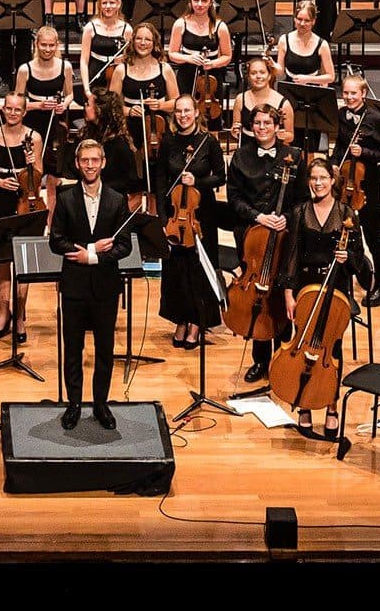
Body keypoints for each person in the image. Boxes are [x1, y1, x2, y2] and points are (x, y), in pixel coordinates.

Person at [280, 154, 367, 438]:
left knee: (333, 349)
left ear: (333, 181)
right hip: (306, 289)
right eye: (313, 179)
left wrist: (347, 256)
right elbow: (290, 256)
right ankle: (304, 403)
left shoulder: (347, 214)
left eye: (323, 179)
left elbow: (361, 261)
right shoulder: (298, 212)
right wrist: (288, 295)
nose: (318, 183)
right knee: (303, 343)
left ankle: (331, 405)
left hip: (336, 288)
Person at [50, 139, 133, 431]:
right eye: (84, 160)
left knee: (104, 350)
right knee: (73, 349)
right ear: (77, 163)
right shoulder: (65, 198)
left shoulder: (117, 199)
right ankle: (74, 405)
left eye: (94, 160)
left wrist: (93, 256)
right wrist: (86, 249)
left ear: (103, 163)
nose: (89, 165)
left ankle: (101, 404)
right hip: (73, 288)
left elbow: (124, 246)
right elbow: (55, 240)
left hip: (105, 287)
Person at [227, 107, 306, 384]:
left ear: (276, 126)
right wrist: (258, 217)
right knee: (256, 296)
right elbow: (234, 198)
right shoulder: (240, 156)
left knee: (280, 290)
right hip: (251, 234)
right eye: (257, 123)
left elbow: (302, 198)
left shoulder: (294, 157)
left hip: (284, 234)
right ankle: (260, 360)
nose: (261, 128)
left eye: (267, 123)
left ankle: (282, 356)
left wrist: (286, 218)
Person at [156, 94, 226, 348]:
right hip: (175, 216)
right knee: (176, 271)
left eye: (188, 110)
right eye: (179, 111)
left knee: (198, 270)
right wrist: (164, 220)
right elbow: (161, 181)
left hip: (202, 215)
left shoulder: (208, 142)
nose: (183, 115)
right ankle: (181, 320)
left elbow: (220, 177)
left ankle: (198, 322)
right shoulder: (168, 142)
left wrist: (198, 181)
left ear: (197, 112)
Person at [0, 93, 42, 339]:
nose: (13, 113)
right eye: (9, 108)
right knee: (2, 259)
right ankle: (4, 313)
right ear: (3, 109)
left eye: (18, 109)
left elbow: (39, 176)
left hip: (26, 200)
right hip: (1, 197)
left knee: (23, 260)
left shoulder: (34, 137)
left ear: (25, 112)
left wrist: (31, 164)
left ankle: (20, 316)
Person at [335, 73, 380, 307]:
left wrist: (365, 153)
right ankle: (345, 283)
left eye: (354, 93)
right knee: (342, 232)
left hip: (366, 184)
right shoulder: (341, 115)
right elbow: (340, 145)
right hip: (343, 183)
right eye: (346, 93)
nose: (349, 97)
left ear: (363, 93)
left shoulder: (376, 119)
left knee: (372, 235)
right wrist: (333, 164)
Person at [112, 23, 178, 198]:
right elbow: (111, 105)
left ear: (155, 43)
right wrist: (128, 110)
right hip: (131, 130)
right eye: (139, 38)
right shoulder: (121, 69)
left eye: (147, 39)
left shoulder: (165, 68)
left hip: (159, 129)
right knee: (133, 181)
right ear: (132, 42)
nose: (143, 43)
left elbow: (177, 103)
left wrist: (160, 106)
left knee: (159, 181)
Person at [16, 25, 74, 197]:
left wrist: (64, 104)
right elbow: (18, 102)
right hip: (33, 121)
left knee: (53, 171)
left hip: (57, 123)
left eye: (51, 45)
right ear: (36, 44)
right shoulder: (25, 69)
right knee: (32, 166)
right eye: (43, 45)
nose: (47, 49)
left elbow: (70, 94)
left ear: (57, 45)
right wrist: (38, 105)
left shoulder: (66, 66)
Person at [168, 0, 233, 100]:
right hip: (187, 76)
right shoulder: (180, 23)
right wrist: (188, 58)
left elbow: (227, 56)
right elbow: (172, 54)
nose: (199, 4)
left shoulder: (220, 26)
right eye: (196, 0)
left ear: (210, 3)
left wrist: (213, 63)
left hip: (212, 79)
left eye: (204, 1)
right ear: (190, 2)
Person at [80, 0, 132, 119]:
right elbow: (84, 61)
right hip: (95, 74)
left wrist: (124, 59)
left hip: (116, 77)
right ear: (99, 5)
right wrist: (86, 88)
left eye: (112, 2)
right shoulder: (90, 28)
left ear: (118, 3)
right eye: (104, 3)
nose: (108, 6)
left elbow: (131, 59)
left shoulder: (126, 29)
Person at [230, 57, 297, 145]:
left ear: (269, 76)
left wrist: (282, 135)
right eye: (253, 73)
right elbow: (235, 131)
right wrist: (234, 132)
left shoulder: (284, 104)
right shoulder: (240, 99)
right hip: (246, 151)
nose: (258, 76)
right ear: (248, 77)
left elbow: (290, 136)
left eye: (262, 72)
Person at [274, 1, 336, 87]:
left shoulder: (322, 44)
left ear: (313, 21)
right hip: (289, 89)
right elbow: (280, 73)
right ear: (294, 19)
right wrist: (271, 64)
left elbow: (331, 77)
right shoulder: (284, 40)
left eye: (307, 20)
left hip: (312, 90)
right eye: (299, 19)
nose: (302, 24)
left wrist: (308, 79)